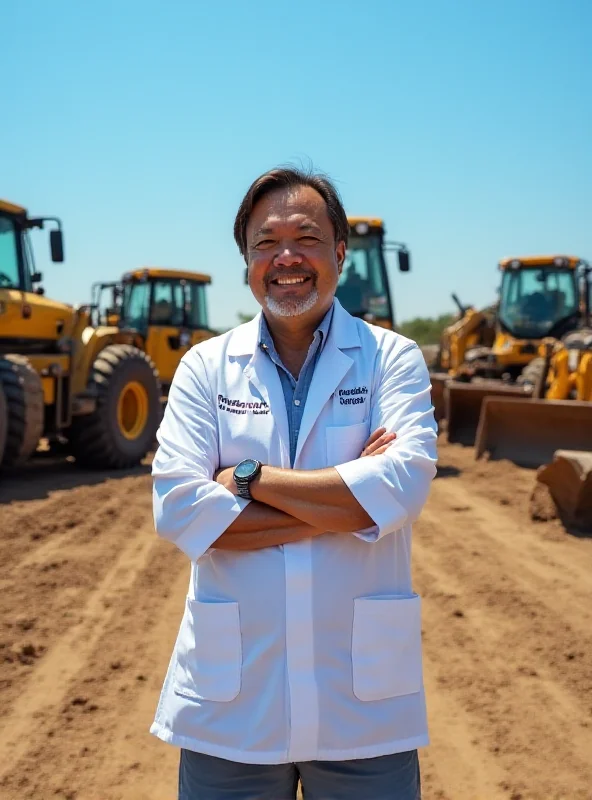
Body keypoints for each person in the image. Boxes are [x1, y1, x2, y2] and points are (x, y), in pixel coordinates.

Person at [150, 166, 438, 799]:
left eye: (306, 237)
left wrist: (245, 481)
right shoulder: (205, 367)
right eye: (264, 243)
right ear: (247, 263)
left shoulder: (392, 357)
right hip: (232, 708)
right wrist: (349, 505)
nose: (286, 257)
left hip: (363, 708)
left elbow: (403, 487)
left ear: (340, 252)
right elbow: (178, 509)